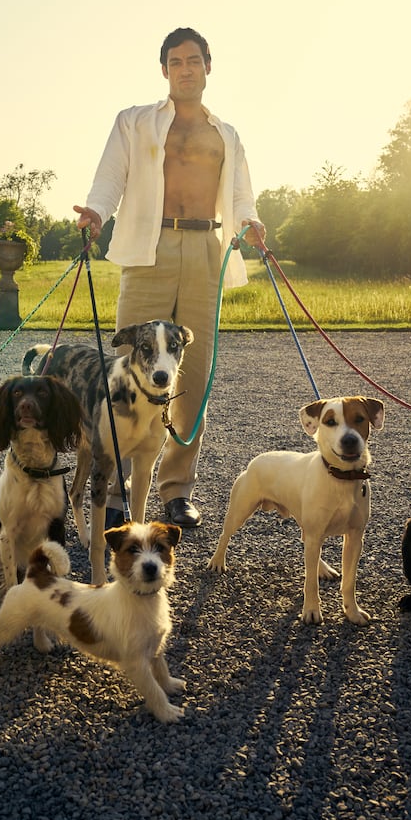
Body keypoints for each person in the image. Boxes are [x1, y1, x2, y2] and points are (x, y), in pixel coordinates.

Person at [74, 27, 265, 528]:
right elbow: (110, 176)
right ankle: (114, 490)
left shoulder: (226, 134)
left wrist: (250, 222)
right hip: (148, 247)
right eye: (176, 61)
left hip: (205, 247)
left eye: (194, 60)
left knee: (193, 376)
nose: (186, 68)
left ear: (208, 66)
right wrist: (95, 212)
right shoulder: (134, 122)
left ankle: (176, 490)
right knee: (127, 370)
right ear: (164, 70)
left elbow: (242, 195)